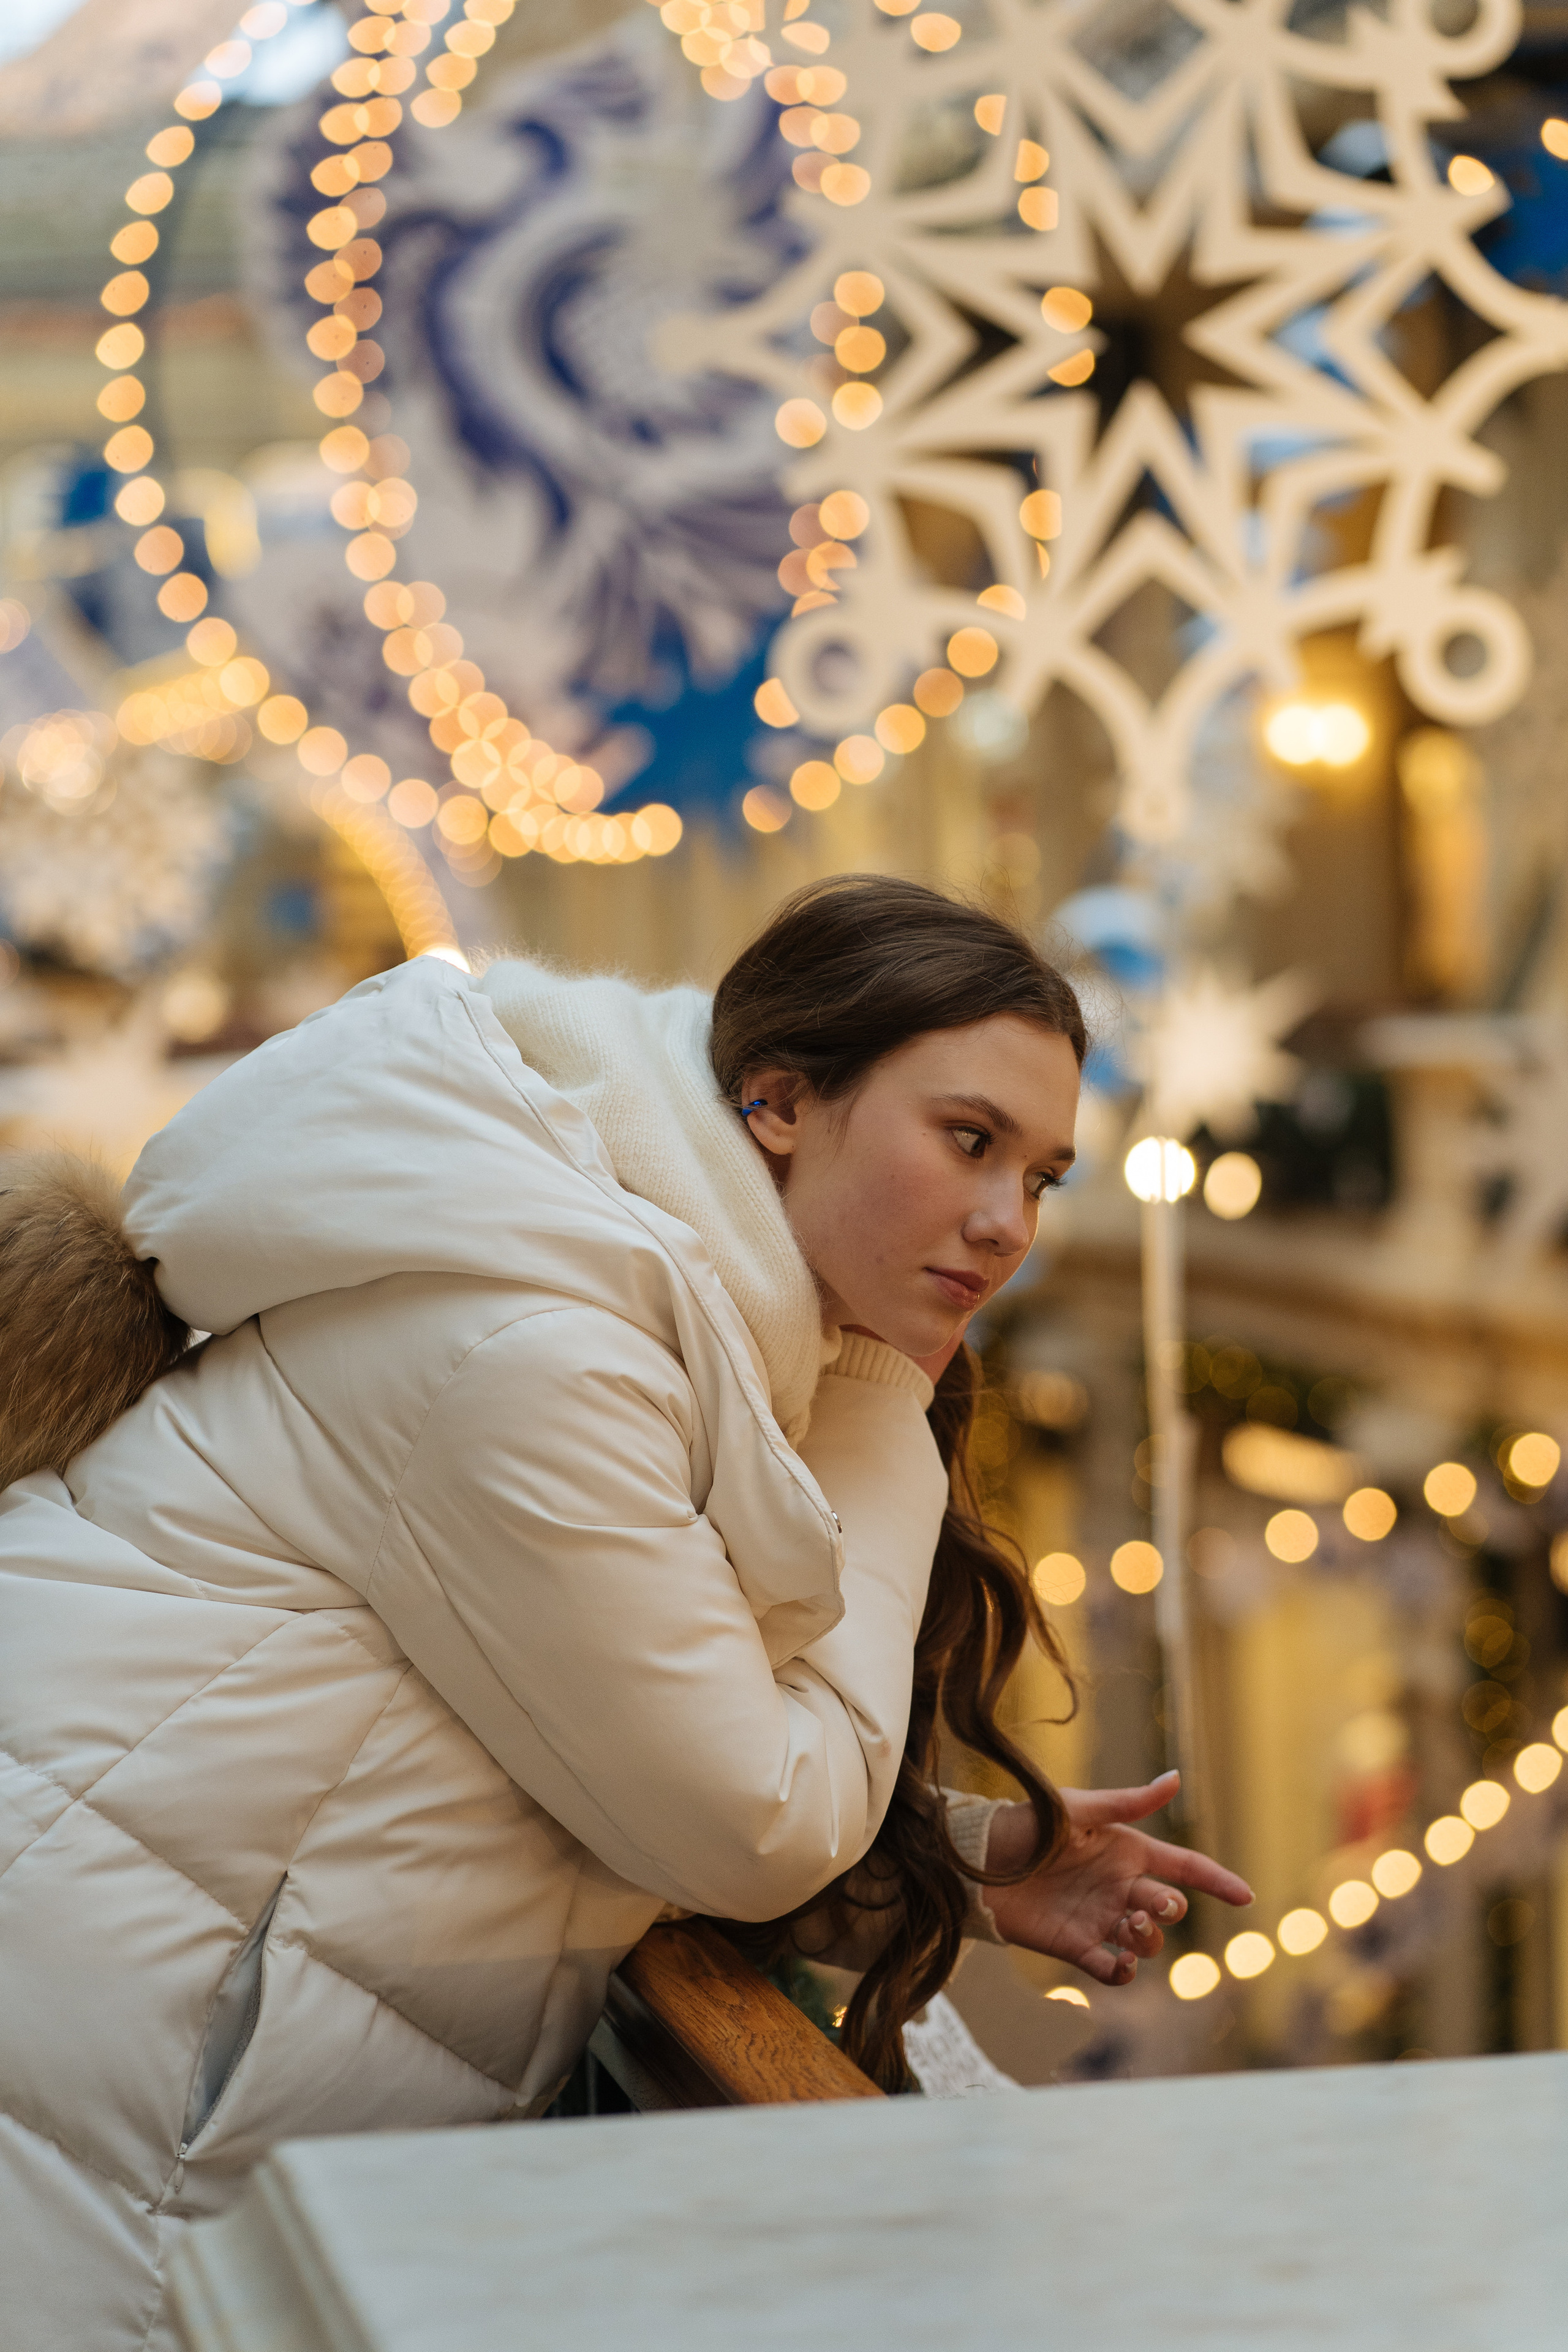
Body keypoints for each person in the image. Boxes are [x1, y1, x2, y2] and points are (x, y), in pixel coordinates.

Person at [0, 873, 1250, 2347]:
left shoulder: (616, 1292)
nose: (1003, 1225)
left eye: (1037, 1174)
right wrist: (877, 1407)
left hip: (151, 2049)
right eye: (966, 1140)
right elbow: (747, 1824)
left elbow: (577, 1744)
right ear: (776, 1100)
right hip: (108, 2079)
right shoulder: (535, 1350)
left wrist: (951, 1863)